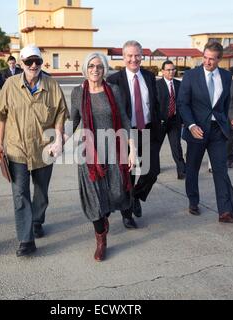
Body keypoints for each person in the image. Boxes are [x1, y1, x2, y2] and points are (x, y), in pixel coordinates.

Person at [0, 45, 69, 257]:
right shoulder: (9, 85)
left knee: (41, 192)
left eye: (37, 61)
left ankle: (37, 219)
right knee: (20, 195)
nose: (34, 65)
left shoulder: (52, 85)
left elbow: (61, 114)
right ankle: (26, 240)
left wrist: (58, 140)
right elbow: (1, 116)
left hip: (44, 150)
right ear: (21, 63)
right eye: (29, 62)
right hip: (17, 149)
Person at [69, 52, 136, 262]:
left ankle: (104, 219)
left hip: (114, 149)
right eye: (91, 66)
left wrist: (132, 149)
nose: (95, 70)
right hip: (89, 153)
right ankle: (101, 240)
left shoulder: (114, 91)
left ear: (104, 69)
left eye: (98, 66)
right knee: (94, 198)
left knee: (116, 193)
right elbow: (73, 121)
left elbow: (125, 121)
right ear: (85, 69)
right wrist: (58, 140)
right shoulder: (78, 93)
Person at [177, 41, 233, 224]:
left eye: (212, 59)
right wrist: (190, 125)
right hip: (196, 130)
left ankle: (225, 211)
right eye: (205, 58)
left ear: (219, 59)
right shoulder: (191, 76)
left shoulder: (227, 77)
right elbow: (183, 103)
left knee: (221, 170)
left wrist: (230, 120)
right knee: (192, 169)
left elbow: (227, 103)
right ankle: (193, 201)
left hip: (217, 131)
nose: (207, 62)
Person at [107, 40, 161, 229]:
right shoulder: (114, 81)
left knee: (152, 171)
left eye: (137, 55)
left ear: (142, 56)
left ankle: (136, 196)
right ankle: (127, 214)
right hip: (125, 133)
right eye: (129, 55)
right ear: (123, 58)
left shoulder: (149, 76)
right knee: (128, 175)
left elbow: (153, 103)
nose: (134, 59)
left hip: (147, 130)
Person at [157, 60, 186, 180]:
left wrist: (184, 120)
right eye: (168, 70)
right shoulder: (156, 85)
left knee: (176, 146)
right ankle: (155, 169)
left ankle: (182, 171)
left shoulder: (179, 85)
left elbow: (183, 103)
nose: (171, 72)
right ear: (163, 71)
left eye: (173, 69)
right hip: (160, 121)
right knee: (155, 147)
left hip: (175, 121)